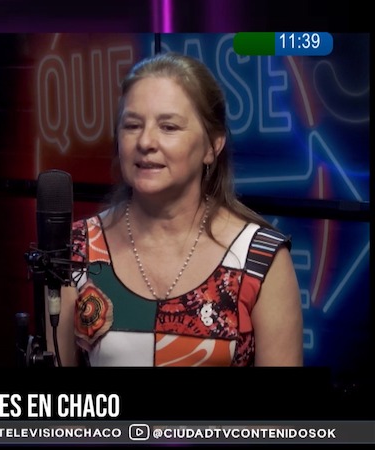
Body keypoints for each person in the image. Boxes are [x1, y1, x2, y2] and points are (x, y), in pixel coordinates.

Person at [48, 52, 302, 367]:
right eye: (132, 125)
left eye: (168, 127)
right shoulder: (73, 250)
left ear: (212, 146)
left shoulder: (261, 259)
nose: (145, 142)